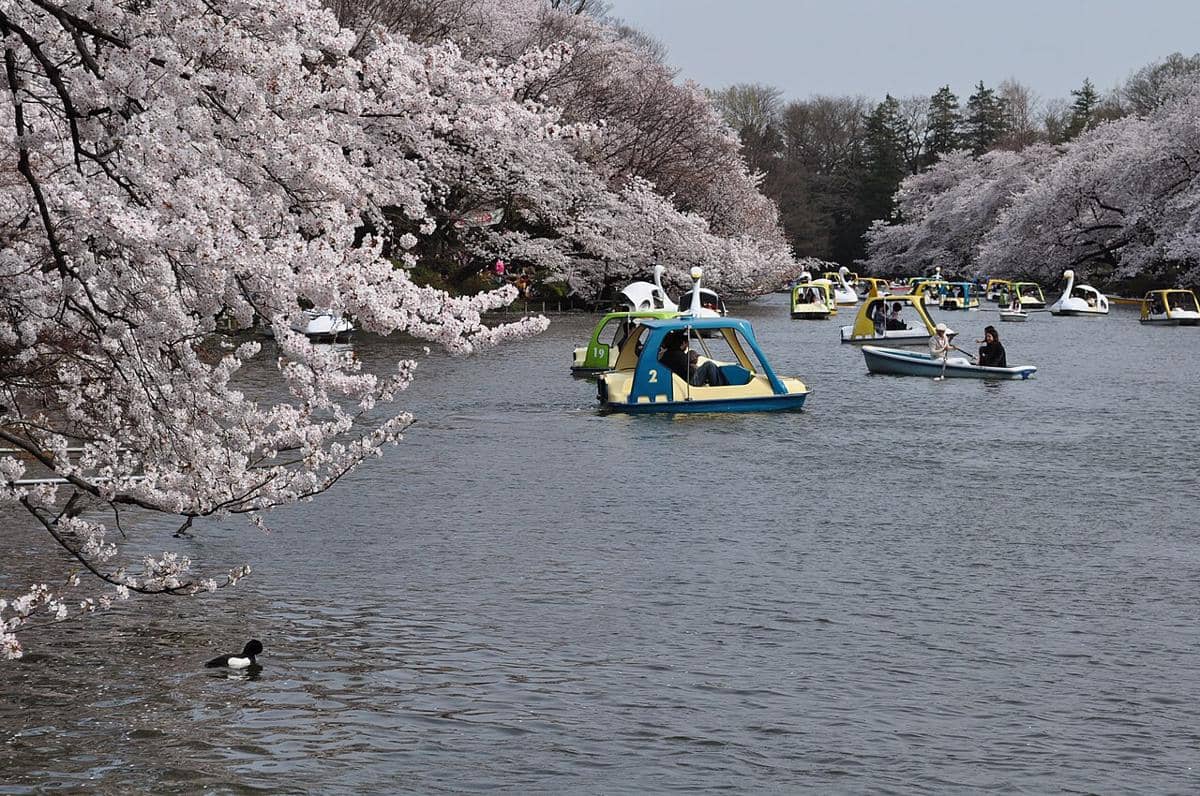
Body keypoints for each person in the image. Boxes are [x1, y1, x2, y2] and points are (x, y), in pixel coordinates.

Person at [659, 330, 727, 387]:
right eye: (687, 344)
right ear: (683, 343)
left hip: (679, 381)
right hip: (688, 383)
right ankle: (718, 387)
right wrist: (694, 366)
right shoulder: (680, 356)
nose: (687, 346)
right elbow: (690, 372)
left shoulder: (667, 354)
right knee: (709, 365)